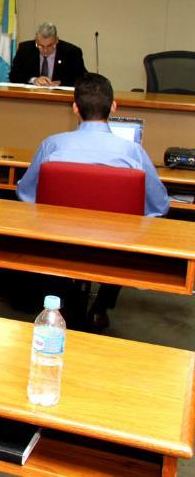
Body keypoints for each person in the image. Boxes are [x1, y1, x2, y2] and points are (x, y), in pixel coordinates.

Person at [16, 72, 169, 330]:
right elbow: (159, 206)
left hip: (57, 244)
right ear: (114, 107)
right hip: (114, 251)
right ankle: (101, 306)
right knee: (128, 233)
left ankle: (60, 302)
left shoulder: (52, 146)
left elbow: (26, 194)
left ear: (75, 108)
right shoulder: (133, 153)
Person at [9, 22, 87, 87]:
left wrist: (60, 83)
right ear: (36, 40)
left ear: (56, 40)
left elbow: (81, 78)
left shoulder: (71, 52)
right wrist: (34, 80)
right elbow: (14, 76)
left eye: (49, 46)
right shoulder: (25, 49)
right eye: (41, 46)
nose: (45, 50)